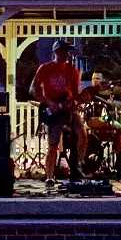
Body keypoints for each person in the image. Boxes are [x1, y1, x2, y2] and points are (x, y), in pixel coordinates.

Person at [31, 39, 84, 182]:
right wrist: (49, 102)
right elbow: (33, 89)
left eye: (67, 52)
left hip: (67, 110)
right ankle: (49, 176)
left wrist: (81, 97)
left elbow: (75, 94)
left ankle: (79, 166)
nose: (66, 54)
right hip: (52, 111)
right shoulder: (45, 68)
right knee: (53, 144)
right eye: (63, 51)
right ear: (56, 52)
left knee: (81, 133)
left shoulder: (73, 70)